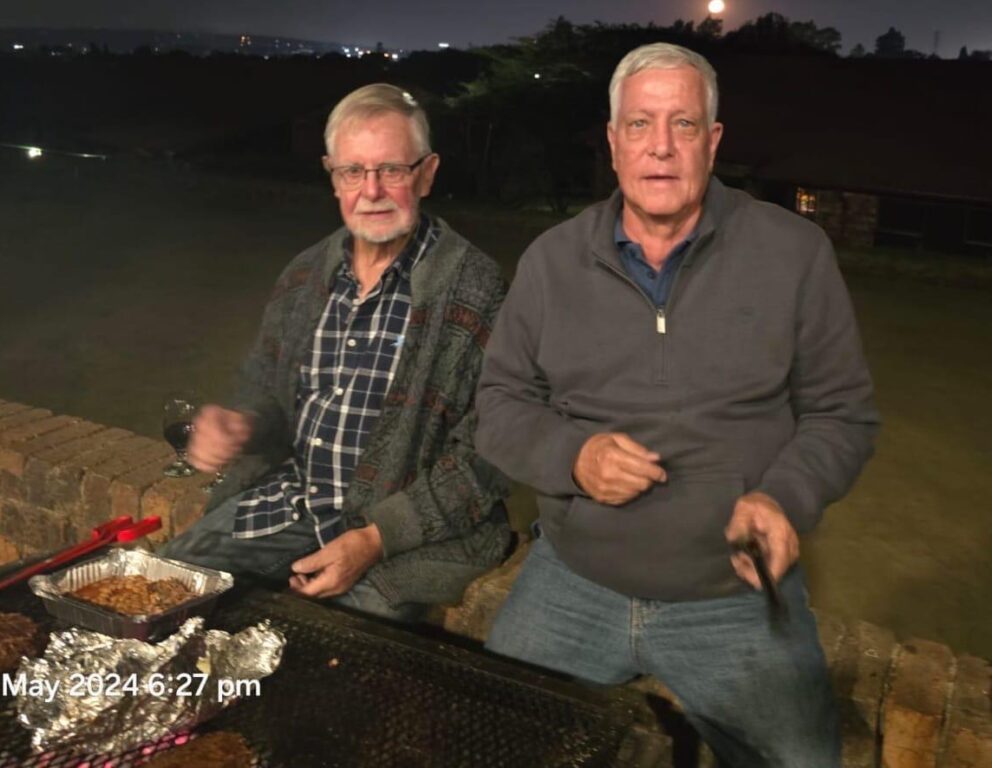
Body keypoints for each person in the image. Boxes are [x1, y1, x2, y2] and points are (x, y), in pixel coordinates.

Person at [475, 43, 880, 766]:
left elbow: (842, 413)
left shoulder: (794, 253)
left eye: (683, 124)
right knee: (495, 742)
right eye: (640, 124)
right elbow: (499, 405)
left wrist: (785, 498)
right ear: (613, 141)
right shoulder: (551, 261)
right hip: (573, 581)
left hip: (734, 595)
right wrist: (574, 456)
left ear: (713, 140)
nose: (660, 146)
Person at [160, 83, 511, 623]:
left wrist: (376, 538)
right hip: (291, 503)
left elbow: (489, 458)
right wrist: (242, 424)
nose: (371, 191)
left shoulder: (477, 290)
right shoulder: (304, 276)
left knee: (341, 646)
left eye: (391, 170)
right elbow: (264, 390)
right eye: (353, 172)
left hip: (402, 532)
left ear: (427, 173)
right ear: (332, 176)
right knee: (164, 587)